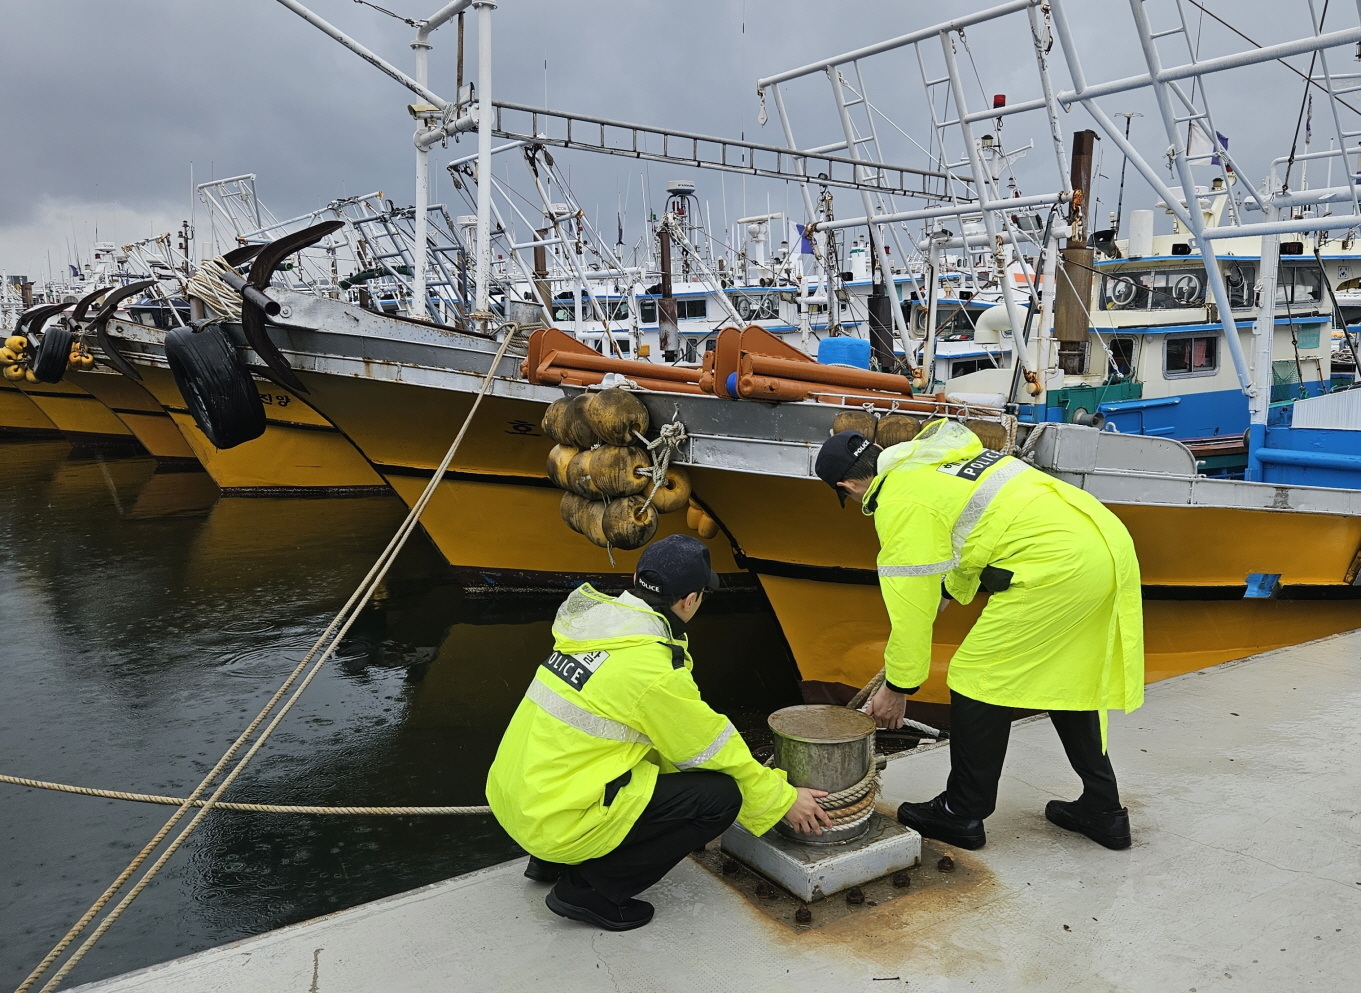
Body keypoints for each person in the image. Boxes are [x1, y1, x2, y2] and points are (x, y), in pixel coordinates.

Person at [814, 419, 1144, 851]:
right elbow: (976, 533)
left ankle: (960, 812)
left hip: (1055, 567)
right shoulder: (934, 461)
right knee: (1069, 679)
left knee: (975, 677)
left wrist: (898, 687)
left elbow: (910, 611)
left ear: (848, 486)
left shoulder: (898, 499)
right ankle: (1103, 809)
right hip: (1103, 545)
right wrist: (949, 590)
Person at [487, 534, 832, 931]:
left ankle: (549, 862)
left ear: (636, 579)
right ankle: (591, 890)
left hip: (520, 802)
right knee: (720, 799)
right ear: (690, 600)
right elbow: (712, 747)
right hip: (557, 820)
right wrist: (782, 798)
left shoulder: (596, 631)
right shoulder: (650, 668)